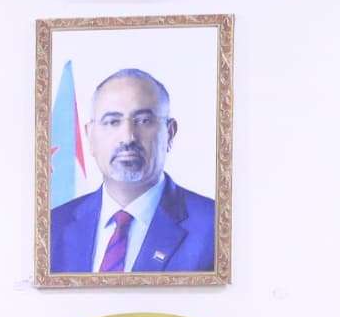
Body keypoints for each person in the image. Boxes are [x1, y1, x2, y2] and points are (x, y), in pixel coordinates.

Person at [46, 69, 219, 275]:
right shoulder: (53, 226)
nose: (128, 137)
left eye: (143, 121)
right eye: (112, 122)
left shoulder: (215, 226)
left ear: (170, 133)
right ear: (90, 136)